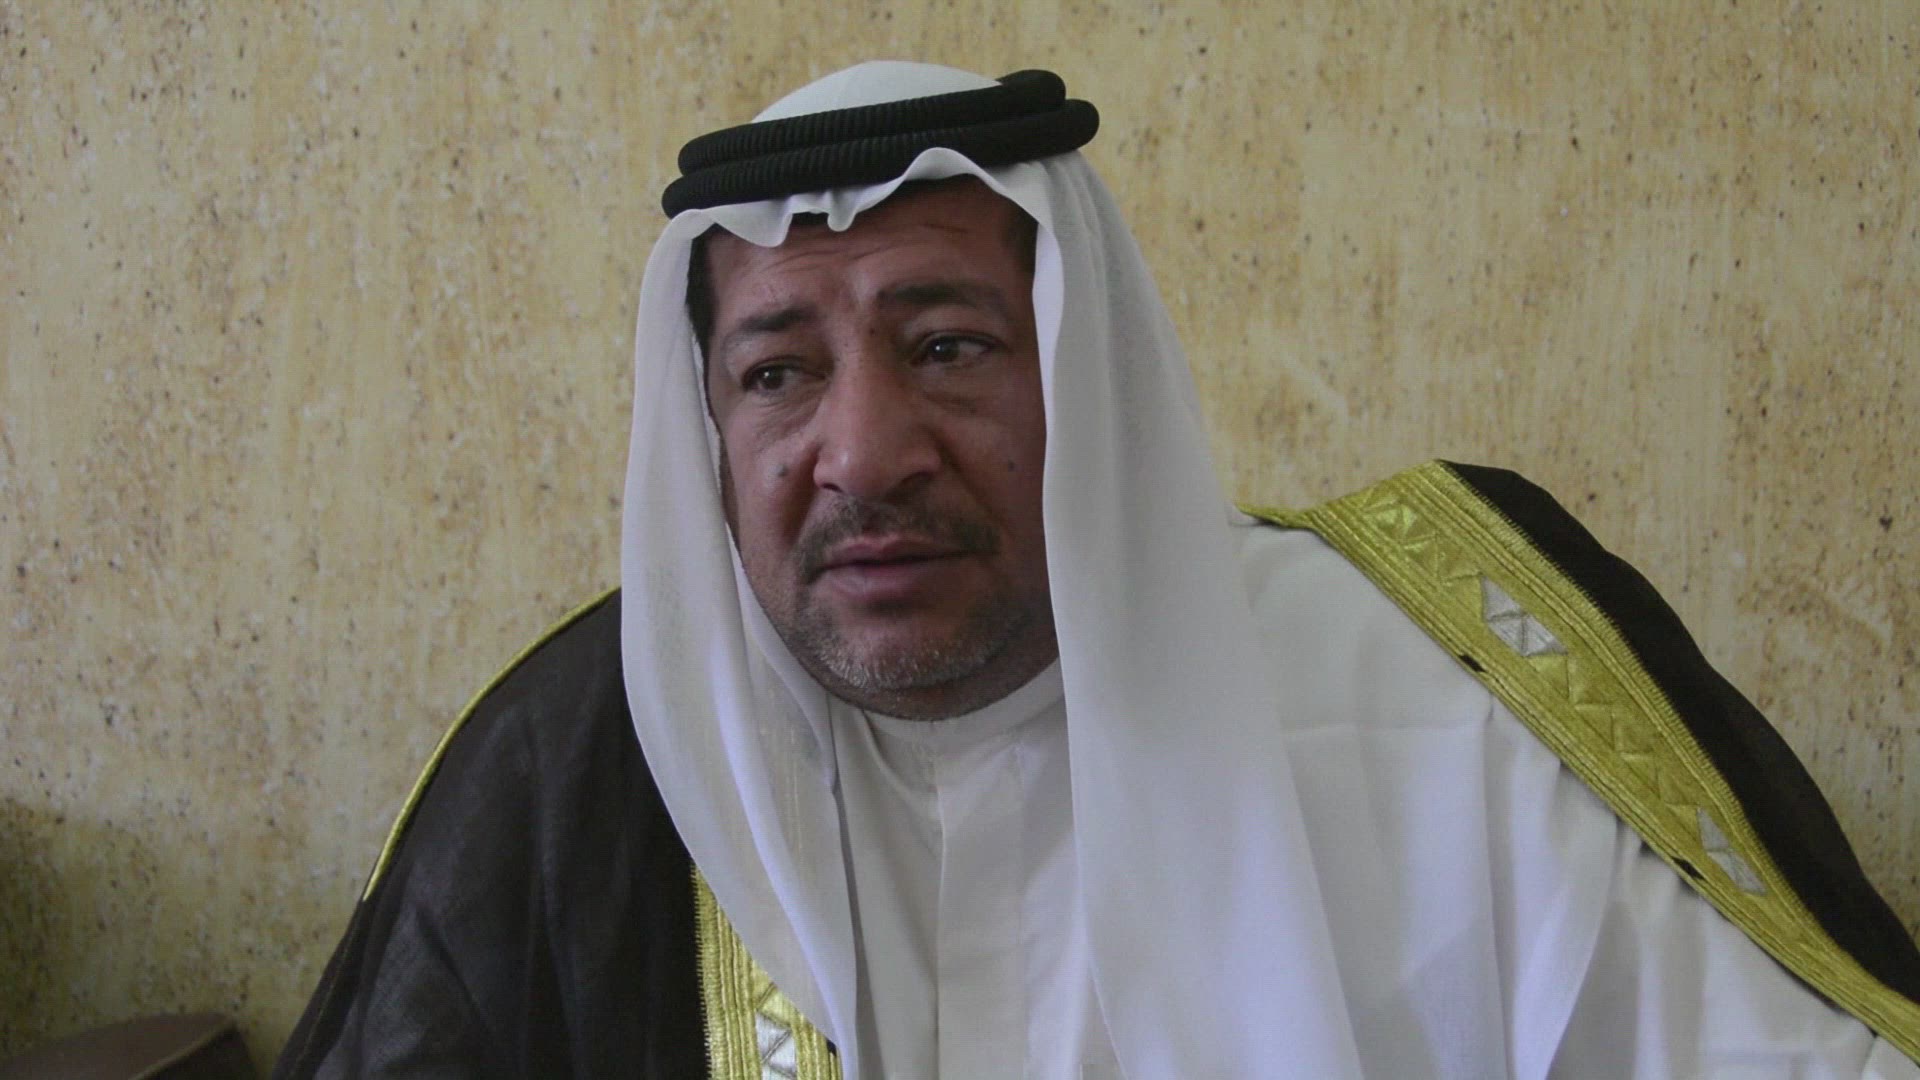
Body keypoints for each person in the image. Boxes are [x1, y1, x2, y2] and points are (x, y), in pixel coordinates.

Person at [277, 62, 1920, 1078]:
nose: (867, 453)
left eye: (947, 345)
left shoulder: (1424, 686)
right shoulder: (586, 769)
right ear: (705, 430)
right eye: (777, 373)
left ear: (1091, 379)